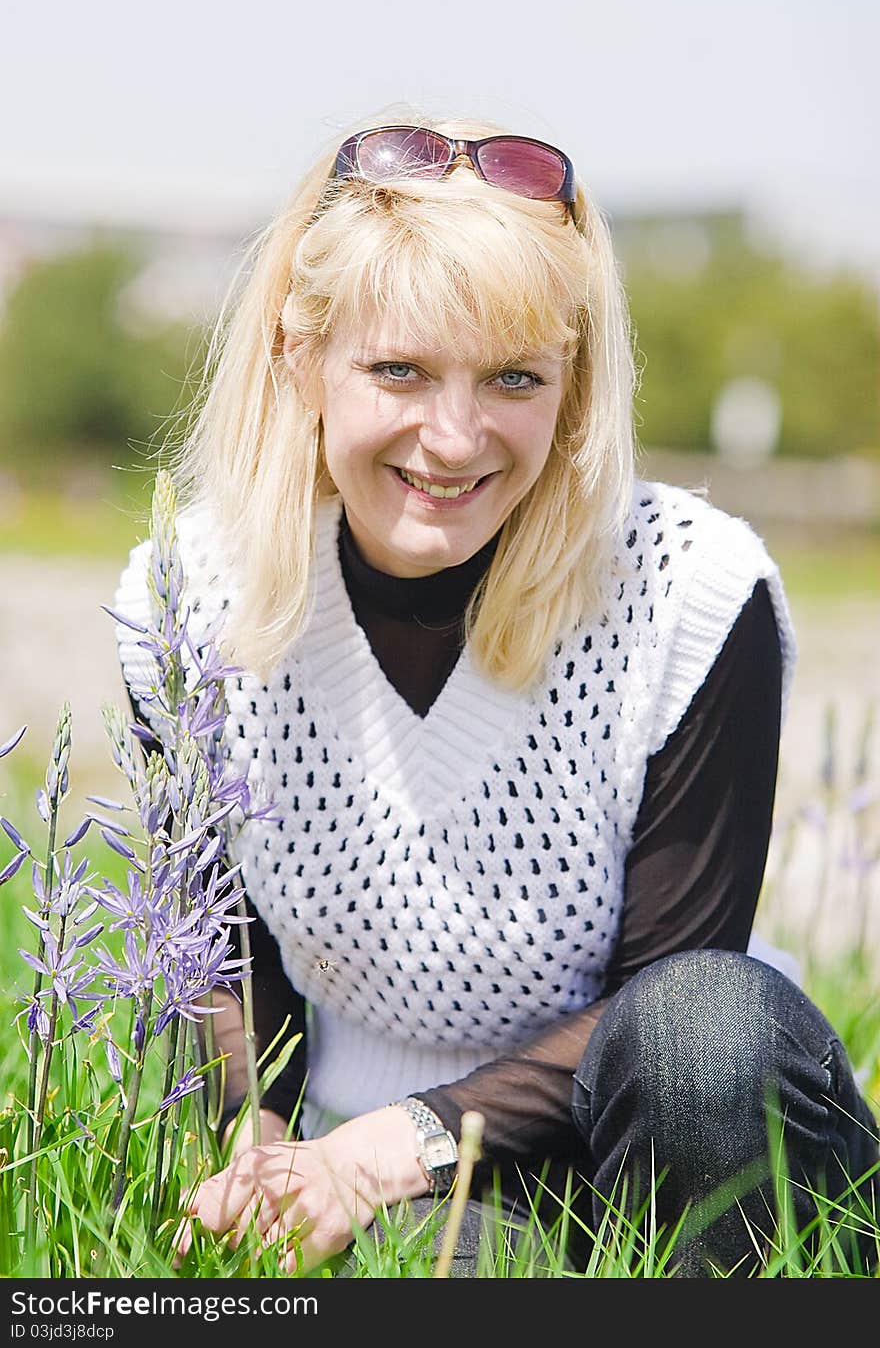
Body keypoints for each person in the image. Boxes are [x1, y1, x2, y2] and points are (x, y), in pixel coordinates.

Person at [112, 110, 879, 1278]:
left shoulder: (691, 591)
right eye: (399, 369)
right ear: (299, 358)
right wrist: (262, 1155)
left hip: (692, 1143)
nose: (454, 435)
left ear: (570, 388)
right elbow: (228, 964)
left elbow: (667, 998)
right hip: (413, 1188)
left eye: (514, 376)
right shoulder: (184, 595)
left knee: (700, 1023)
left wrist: (380, 1147)